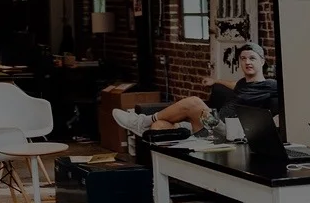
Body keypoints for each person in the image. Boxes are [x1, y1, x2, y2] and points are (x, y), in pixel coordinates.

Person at [112, 42, 280, 136]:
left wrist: (274, 122)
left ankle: (141, 122)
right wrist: (216, 81)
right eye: (243, 58)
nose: (247, 62)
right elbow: (234, 85)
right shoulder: (243, 83)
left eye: (252, 58)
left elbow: (291, 97)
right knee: (159, 127)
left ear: (262, 61)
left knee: (194, 102)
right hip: (211, 125)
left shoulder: (271, 85)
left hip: (227, 131)